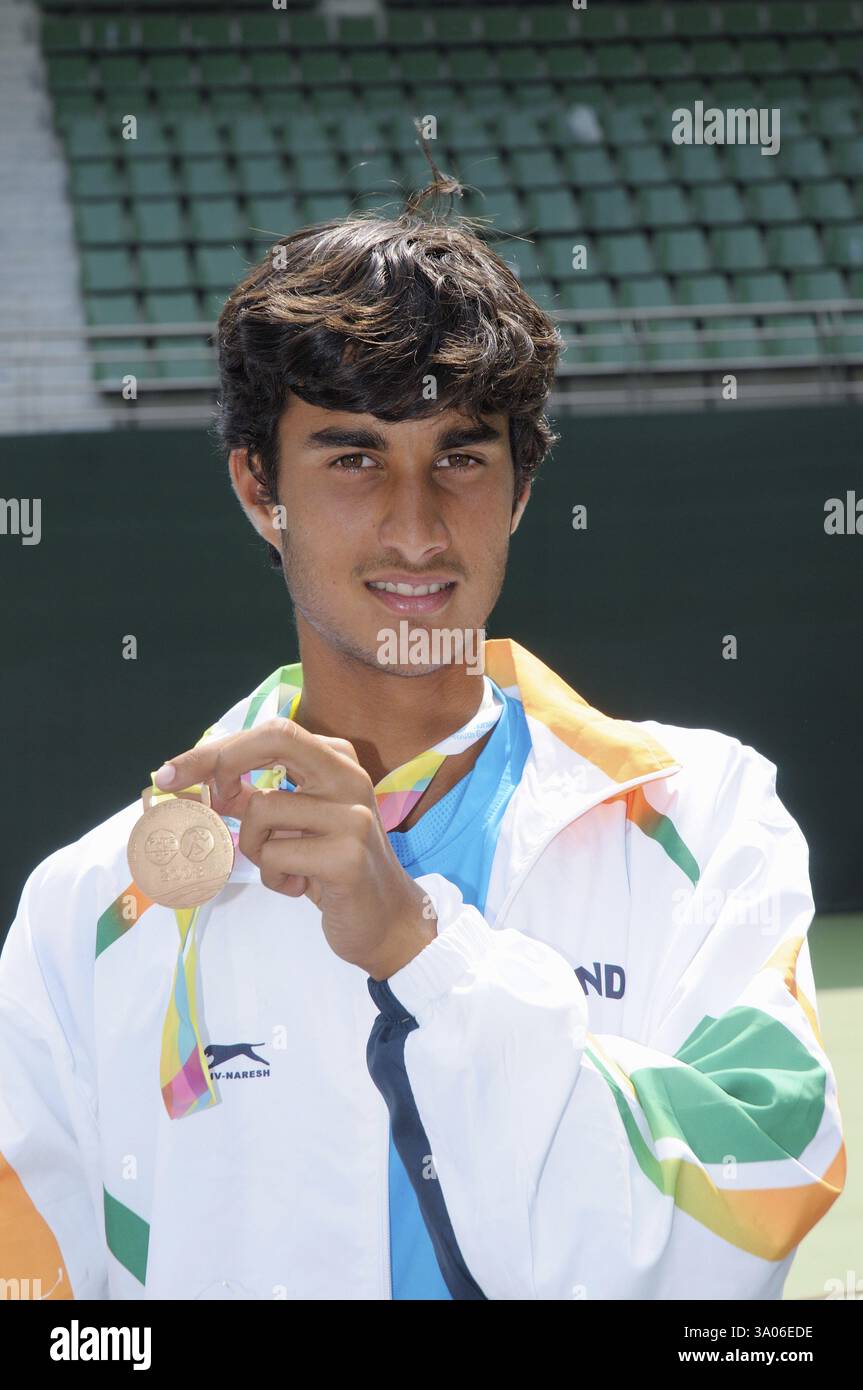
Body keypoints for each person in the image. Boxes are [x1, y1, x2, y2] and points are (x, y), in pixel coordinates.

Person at [0, 175, 845, 1301]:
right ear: (260, 487)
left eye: (460, 455)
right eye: (352, 457)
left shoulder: (707, 813)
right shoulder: (91, 904)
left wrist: (422, 950)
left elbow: (749, 1210)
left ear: (520, 486)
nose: (414, 524)